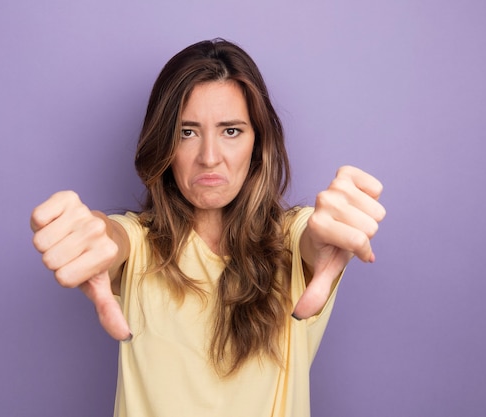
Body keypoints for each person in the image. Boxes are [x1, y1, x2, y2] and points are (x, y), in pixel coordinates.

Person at [30, 39, 385, 417]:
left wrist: (332, 231)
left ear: (258, 144)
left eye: (231, 131)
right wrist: (87, 234)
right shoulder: (138, 242)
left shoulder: (293, 240)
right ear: (164, 144)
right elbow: (109, 240)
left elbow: (314, 240)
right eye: (187, 132)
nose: (209, 158)